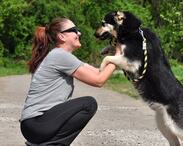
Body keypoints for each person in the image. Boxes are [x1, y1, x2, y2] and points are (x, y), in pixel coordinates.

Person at [20, 17, 121, 146]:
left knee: (87, 104)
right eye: (74, 30)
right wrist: (118, 57)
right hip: (37, 123)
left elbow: (97, 72)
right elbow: (98, 81)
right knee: (88, 104)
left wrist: (113, 54)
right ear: (62, 36)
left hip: (36, 125)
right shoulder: (60, 56)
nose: (79, 33)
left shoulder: (62, 56)